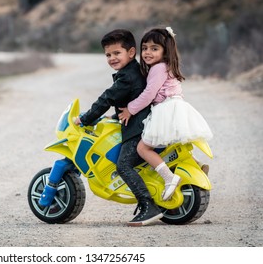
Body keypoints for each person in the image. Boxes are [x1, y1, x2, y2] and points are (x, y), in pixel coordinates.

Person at [74, 29, 163, 226]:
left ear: (131, 53)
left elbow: (108, 97)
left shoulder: (127, 76)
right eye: (108, 54)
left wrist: (86, 118)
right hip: (142, 122)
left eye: (117, 53)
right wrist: (115, 116)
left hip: (138, 130)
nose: (112, 58)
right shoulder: (133, 71)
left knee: (123, 165)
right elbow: (132, 97)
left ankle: (148, 205)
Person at [118, 27, 213, 201]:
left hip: (165, 109)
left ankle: (170, 179)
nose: (147, 52)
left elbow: (148, 94)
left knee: (143, 148)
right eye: (145, 48)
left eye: (154, 49)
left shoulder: (157, 68)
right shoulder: (166, 66)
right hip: (176, 106)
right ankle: (196, 166)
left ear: (165, 51)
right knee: (174, 144)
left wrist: (130, 109)